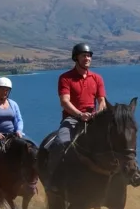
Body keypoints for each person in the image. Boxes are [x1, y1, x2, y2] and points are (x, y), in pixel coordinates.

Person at [44, 43, 106, 193]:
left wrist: (96, 113)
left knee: (112, 142)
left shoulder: (97, 78)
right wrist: (79, 114)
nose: (87, 58)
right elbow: (64, 102)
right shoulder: (65, 78)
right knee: (61, 143)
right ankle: (54, 181)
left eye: (89, 55)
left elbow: (102, 101)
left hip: (93, 118)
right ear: (76, 58)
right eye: (84, 55)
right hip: (72, 119)